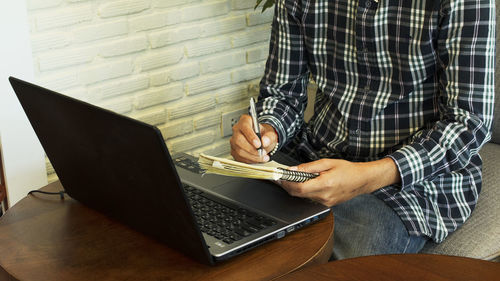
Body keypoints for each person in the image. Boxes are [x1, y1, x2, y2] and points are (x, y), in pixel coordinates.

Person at [230, 0, 495, 259]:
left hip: (413, 183)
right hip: (313, 157)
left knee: (344, 265)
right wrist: (267, 131)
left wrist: (368, 176)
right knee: (225, 228)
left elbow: (468, 122)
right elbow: (283, 95)